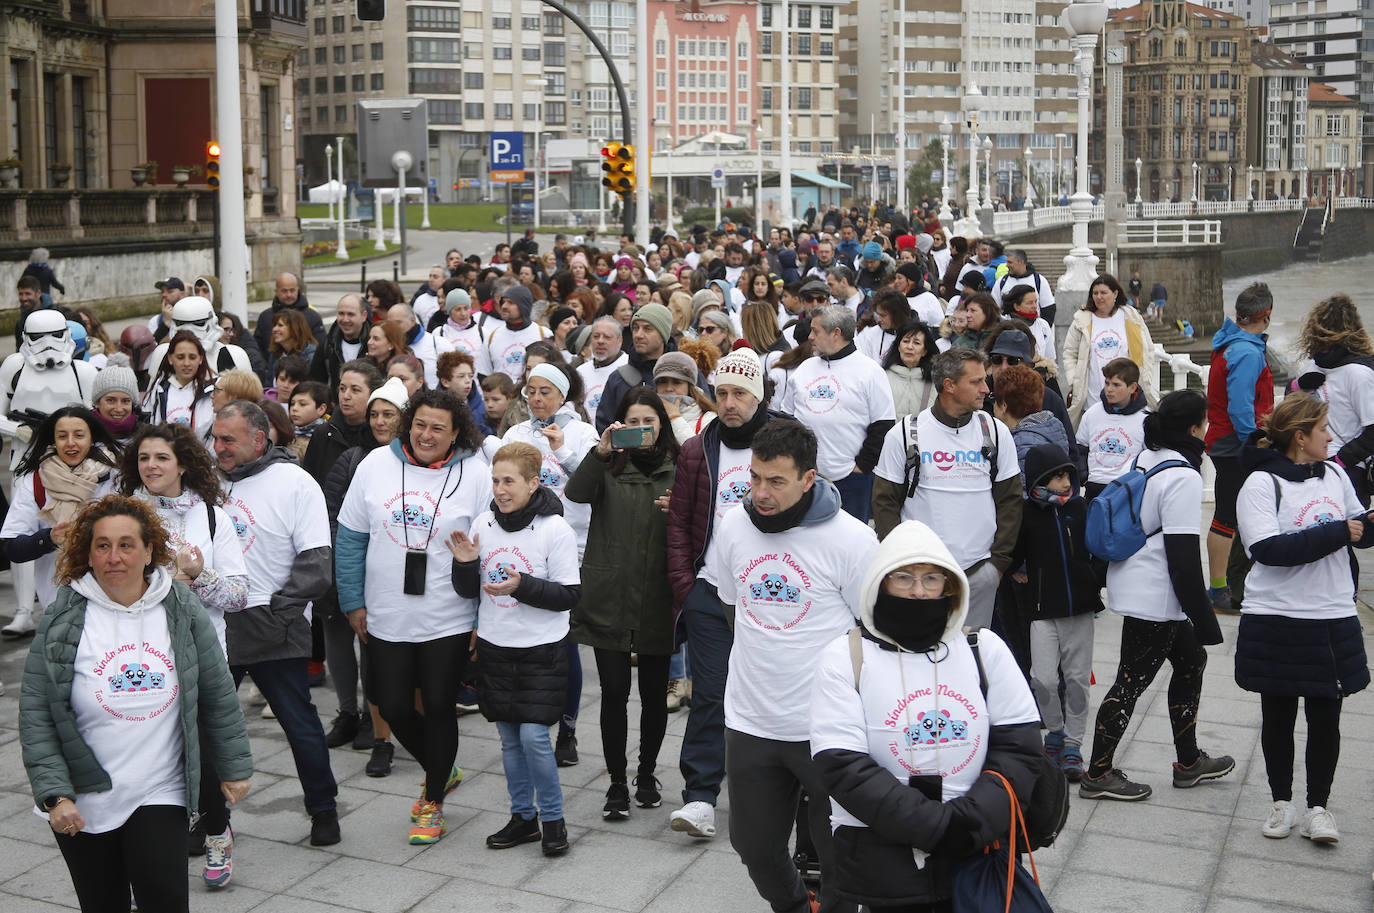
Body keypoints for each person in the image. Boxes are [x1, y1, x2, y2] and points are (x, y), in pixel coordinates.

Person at [18, 496, 253, 913]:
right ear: (87, 553)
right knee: (102, 903)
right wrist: (55, 795)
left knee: (164, 900)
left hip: (159, 790)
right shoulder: (63, 617)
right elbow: (38, 714)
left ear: (149, 551)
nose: (114, 557)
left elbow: (217, 691)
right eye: (102, 545)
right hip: (85, 799)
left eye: (127, 545)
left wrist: (234, 766)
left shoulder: (182, 608)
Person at [808, 520, 1043, 913]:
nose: (918, 591)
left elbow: (1020, 751)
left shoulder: (984, 649)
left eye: (931, 578)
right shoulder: (844, 656)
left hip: (976, 854)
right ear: (880, 583)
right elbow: (843, 766)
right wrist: (936, 828)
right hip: (880, 868)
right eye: (903, 577)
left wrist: (968, 823)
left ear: (949, 587)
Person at [708, 420, 877, 913]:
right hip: (751, 719)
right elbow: (732, 605)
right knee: (753, 846)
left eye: (776, 481)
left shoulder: (850, 540)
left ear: (808, 479)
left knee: (840, 851)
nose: (760, 492)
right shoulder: (734, 526)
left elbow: (875, 629)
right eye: (755, 477)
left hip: (827, 726)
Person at [336, 388, 492, 844]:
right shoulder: (374, 466)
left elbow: (492, 548)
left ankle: (432, 801)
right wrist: (352, 600)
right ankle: (443, 769)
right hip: (386, 610)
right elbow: (350, 538)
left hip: (449, 613)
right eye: (420, 424)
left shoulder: (476, 474)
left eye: (438, 428)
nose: (426, 435)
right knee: (393, 704)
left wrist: (484, 615)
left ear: (456, 432)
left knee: (441, 705)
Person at [1079, 390, 1233, 801]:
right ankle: (1098, 774)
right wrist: (1206, 619)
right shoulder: (1183, 477)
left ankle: (1189, 762)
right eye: (1206, 422)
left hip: (1138, 581)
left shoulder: (1147, 457)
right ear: (1196, 428)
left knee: (1190, 661)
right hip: (1157, 596)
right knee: (1129, 682)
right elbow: (1183, 560)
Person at [1234, 394, 1373, 843]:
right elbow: (1268, 551)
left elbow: (1359, 529)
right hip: (1276, 615)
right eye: (1323, 430)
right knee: (1277, 717)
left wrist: (1367, 524)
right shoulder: (1260, 484)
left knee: (1326, 718)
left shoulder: (1335, 473)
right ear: (1300, 437)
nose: (1332, 437)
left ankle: (1319, 809)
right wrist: (1338, 531)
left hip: (1331, 613)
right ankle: (1281, 803)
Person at [117, 424, 250, 886]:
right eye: (144, 458)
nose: (151, 466)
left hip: (200, 653)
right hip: (139, 654)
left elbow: (237, 595)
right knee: (146, 756)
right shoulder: (126, 515)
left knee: (204, 754)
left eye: (161, 458)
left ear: (184, 465)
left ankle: (217, 832)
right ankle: (144, 861)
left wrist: (199, 573)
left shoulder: (214, 518)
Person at [211, 400, 340, 845]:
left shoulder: (295, 483)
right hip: (214, 623)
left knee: (299, 724)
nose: (219, 447)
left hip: (273, 623)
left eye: (229, 439)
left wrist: (280, 608)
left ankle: (323, 811)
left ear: (259, 440)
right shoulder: (207, 482)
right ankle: (209, 821)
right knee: (207, 727)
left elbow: (318, 563)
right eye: (216, 437)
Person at [665, 348, 781, 838]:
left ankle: (773, 789)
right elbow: (678, 526)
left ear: (757, 396)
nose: (729, 403)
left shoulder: (785, 442)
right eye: (722, 393)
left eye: (740, 393)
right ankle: (700, 798)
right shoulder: (698, 448)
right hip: (712, 593)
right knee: (711, 694)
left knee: (768, 695)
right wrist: (687, 589)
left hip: (772, 596)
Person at [449, 442, 581, 857]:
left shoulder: (554, 529)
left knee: (534, 738)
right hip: (495, 646)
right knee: (508, 740)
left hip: (542, 649)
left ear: (533, 483)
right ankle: (523, 817)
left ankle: (554, 819)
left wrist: (522, 585)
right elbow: (469, 592)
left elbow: (568, 595)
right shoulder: (483, 523)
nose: (500, 489)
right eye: (495, 480)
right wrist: (467, 564)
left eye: (509, 481)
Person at [566, 388, 678, 819]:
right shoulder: (608, 464)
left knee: (653, 695)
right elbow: (575, 494)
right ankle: (616, 782)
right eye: (631, 421)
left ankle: (646, 774)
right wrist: (600, 452)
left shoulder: (680, 465)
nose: (639, 430)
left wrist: (681, 508)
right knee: (613, 691)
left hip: (657, 594)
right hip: (608, 593)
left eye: (647, 421)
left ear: (661, 426)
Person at [871, 349, 1022, 629]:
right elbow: (884, 503)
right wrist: (901, 560)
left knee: (971, 657)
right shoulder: (904, 433)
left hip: (979, 570)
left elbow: (1011, 501)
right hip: (920, 573)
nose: (986, 389)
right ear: (950, 385)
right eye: (976, 382)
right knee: (920, 651)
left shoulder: (996, 432)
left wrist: (997, 565)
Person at [500, 361, 598, 765]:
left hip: (570, 549)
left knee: (564, 644)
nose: (537, 399)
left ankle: (569, 730)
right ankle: (529, 721)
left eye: (546, 391)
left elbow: (593, 486)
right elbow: (501, 483)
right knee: (527, 641)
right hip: (522, 546)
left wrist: (563, 450)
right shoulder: (515, 434)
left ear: (563, 395)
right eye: (531, 391)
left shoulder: (581, 431)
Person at [320, 377, 409, 775]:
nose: (379, 421)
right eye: (374, 414)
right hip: (355, 566)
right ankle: (363, 724)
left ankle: (394, 728)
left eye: (388, 414)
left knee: (394, 659)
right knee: (353, 645)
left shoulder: (413, 461)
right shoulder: (354, 458)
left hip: (401, 576)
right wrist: (348, 564)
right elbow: (334, 514)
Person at [1012, 443, 1101, 782]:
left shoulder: (1081, 508)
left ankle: (1073, 746)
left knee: (1077, 679)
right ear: (1038, 482)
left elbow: (1098, 548)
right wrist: (1012, 570)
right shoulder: (1028, 513)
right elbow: (1014, 551)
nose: (1065, 482)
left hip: (1079, 609)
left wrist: (1095, 579)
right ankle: (1055, 732)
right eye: (1056, 477)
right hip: (1042, 611)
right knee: (1043, 679)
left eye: (1067, 474)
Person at [2, 406, 121, 633]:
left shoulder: (114, 477)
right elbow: (12, 548)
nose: (70, 443)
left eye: (79, 435)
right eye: (62, 436)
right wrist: (48, 539)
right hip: (58, 605)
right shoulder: (35, 482)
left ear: (92, 437)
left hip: (113, 599)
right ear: (52, 440)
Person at [786, 304, 896, 523]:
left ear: (836, 333)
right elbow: (786, 417)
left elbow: (883, 425)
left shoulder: (870, 371)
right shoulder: (805, 369)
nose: (810, 337)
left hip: (851, 480)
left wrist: (861, 467)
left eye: (815, 331)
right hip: (804, 478)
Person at [1204, 283, 1275, 615]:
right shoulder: (1246, 352)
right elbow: (1241, 408)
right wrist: (1256, 441)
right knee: (1227, 516)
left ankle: (1231, 585)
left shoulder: (1229, 341)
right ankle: (1218, 589)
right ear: (1266, 316)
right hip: (1235, 444)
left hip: (1224, 440)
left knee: (1233, 513)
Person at [1293, 293, 1374, 505]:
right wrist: (1297, 386)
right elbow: (1291, 410)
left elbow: (1373, 432)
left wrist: (1337, 462)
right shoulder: (1314, 365)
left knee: (1353, 536)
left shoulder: (1359, 374)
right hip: (1309, 467)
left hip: (1349, 472)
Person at [1062, 274, 1158, 426]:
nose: (1099, 297)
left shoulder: (1130, 316)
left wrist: (1146, 375)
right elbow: (1069, 352)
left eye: (1103, 293)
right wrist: (1074, 379)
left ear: (1115, 293)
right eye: (1095, 293)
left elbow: (1148, 349)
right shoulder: (1082, 320)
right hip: (1093, 392)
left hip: (1127, 392)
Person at [595, 303, 705, 433]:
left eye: (647, 329)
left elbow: (706, 418)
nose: (638, 335)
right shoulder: (619, 378)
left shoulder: (687, 372)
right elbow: (605, 427)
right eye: (635, 328)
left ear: (663, 334)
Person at [1077, 357, 1150, 501]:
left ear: (1132, 387)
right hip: (1095, 488)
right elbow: (1079, 450)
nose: (1109, 389)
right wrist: (1084, 477)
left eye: (1116, 385)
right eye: (1107, 383)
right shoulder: (1091, 414)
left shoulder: (1146, 418)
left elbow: (1151, 457)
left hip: (1129, 490)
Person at [143, 330, 216, 444]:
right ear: (170, 358)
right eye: (180, 357)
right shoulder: (158, 389)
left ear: (201, 359)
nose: (186, 363)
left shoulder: (213, 390)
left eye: (192, 357)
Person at [480, 285, 548, 380]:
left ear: (523, 306)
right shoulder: (492, 336)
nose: (504, 306)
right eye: (503, 302)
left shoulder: (543, 334)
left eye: (510, 303)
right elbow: (485, 373)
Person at [310, 293, 371, 396]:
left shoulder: (374, 344)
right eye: (341, 314)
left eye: (351, 314)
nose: (345, 319)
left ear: (364, 316)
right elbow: (316, 384)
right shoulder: (327, 345)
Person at [253, 272, 325, 357]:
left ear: (298, 289)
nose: (288, 295)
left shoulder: (313, 316)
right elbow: (257, 348)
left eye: (292, 290)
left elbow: (321, 347)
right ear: (276, 291)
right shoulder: (265, 317)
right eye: (284, 291)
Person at [653, 352, 717, 443]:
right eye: (662, 382)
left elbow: (698, 453)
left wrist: (674, 418)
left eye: (676, 382)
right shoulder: (647, 414)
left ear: (689, 387)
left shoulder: (708, 419)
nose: (669, 388)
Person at [388, 303, 454, 388]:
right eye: (390, 324)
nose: (394, 328)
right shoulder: (387, 347)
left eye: (398, 323)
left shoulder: (439, 344)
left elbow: (455, 376)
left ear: (412, 321)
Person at [881, 319, 939, 418]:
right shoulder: (883, 377)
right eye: (906, 341)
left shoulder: (935, 380)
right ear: (898, 346)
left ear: (925, 351)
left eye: (916, 343)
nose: (910, 347)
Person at [576, 315, 629, 417]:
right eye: (596, 336)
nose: (600, 341)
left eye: (607, 337)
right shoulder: (580, 372)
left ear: (620, 341)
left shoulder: (628, 367)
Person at [90, 355, 143, 444]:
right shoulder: (83, 434)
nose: (118, 409)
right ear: (97, 402)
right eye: (111, 400)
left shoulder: (147, 435)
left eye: (125, 401)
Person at [855, 289, 911, 365]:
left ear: (897, 315)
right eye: (878, 314)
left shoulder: (916, 335)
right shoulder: (868, 334)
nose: (879, 319)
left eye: (883, 315)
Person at [267, 310, 318, 384]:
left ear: (295, 328)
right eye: (274, 325)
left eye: (280, 325)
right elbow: (268, 382)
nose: (274, 329)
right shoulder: (275, 354)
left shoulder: (311, 356)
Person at [289, 381, 330, 459]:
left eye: (302, 404)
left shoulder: (328, 438)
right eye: (292, 403)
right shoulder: (286, 434)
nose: (294, 408)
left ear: (321, 409)